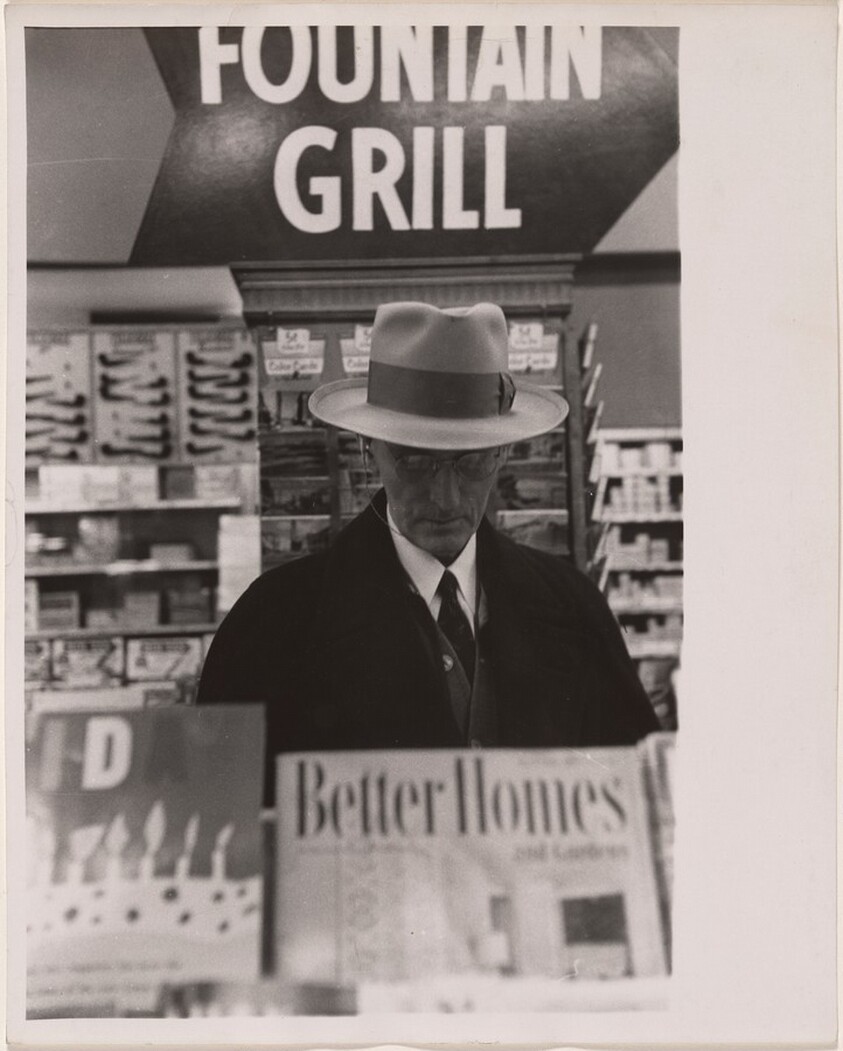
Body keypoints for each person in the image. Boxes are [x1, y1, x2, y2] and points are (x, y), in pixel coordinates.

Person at [197, 302, 659, 803]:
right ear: (366, 447)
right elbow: (225, 820)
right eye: (414, 461)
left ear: (504, 452)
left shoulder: (574, 607)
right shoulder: (273, 621)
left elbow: (636, 797)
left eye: (472, 464)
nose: (445, 498)